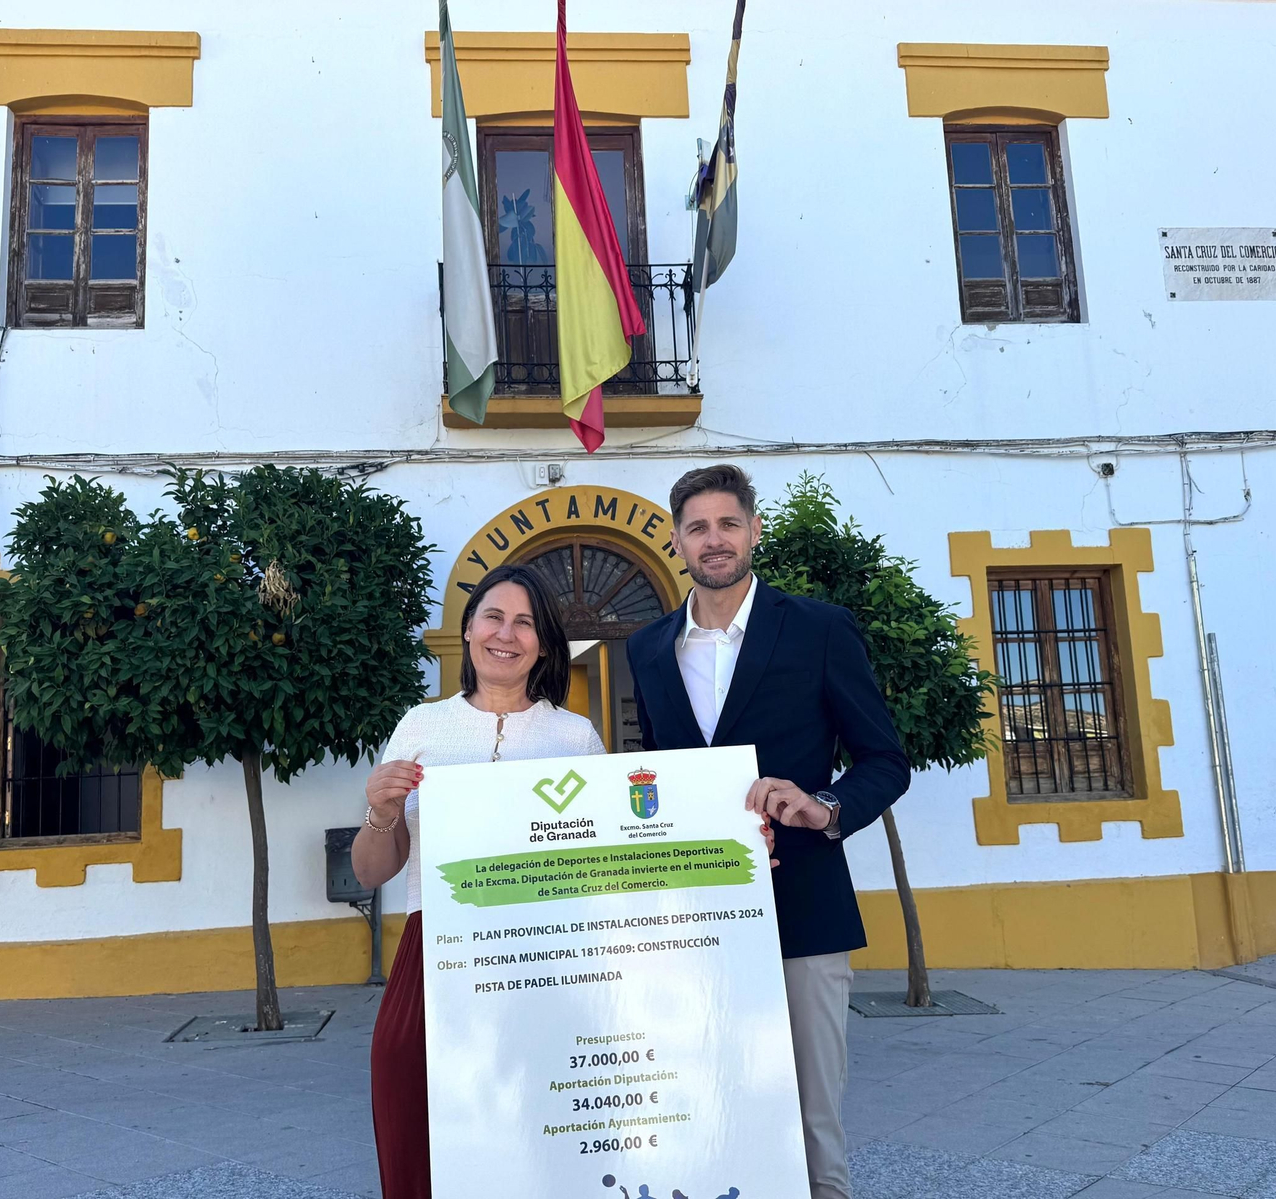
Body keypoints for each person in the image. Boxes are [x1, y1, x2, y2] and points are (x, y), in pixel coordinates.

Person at [627, 465, 911, 1199]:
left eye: (728, 523)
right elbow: (656, 775)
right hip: (690, 919)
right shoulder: (649, 648)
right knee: (707, 1102)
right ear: (677, 540)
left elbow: (885, 759)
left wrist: (826, 804)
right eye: (697, 527)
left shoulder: (818, 627)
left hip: (804, 908)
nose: (713, 539)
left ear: (754, 530)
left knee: (815, 1116)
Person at [353, 563, 605, 1199]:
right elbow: (372, 869)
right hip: (435, 947)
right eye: (494, 616)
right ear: (467, 630)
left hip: (549, 956)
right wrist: (381, 815)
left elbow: (608, 864)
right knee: (409, 1093)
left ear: (543, 645)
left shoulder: (573, 738)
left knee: (540, 1126)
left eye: (525, 623)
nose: (507, 633)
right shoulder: (421, 727)